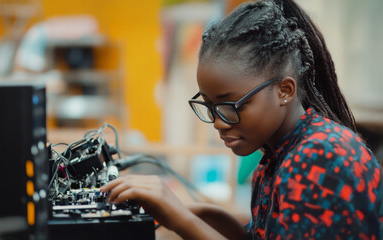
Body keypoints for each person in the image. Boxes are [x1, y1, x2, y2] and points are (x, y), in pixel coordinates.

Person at [101, 0, 383, 239]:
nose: (218, 123)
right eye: (210, 106)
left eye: (229, 105)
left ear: (284, 90)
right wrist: (193, 211)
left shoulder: (320, 158)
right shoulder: (276, 157)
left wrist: (180, 220)